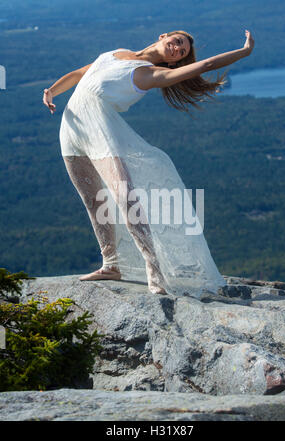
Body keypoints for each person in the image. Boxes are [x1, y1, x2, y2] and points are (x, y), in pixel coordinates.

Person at [43, 29, 254, 297]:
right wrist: (52, 91)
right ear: (164, 35)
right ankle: (111, 264)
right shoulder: (116, 53)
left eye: (182, 52)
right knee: (93, 200)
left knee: (125, 198)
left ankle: (154, 269)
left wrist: (244, 52)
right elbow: (79, 74)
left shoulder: (151, 75)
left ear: (176, 62)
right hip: (71, 131)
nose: (178, 48)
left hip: (102, 134)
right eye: (178, 41)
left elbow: (207, 64)